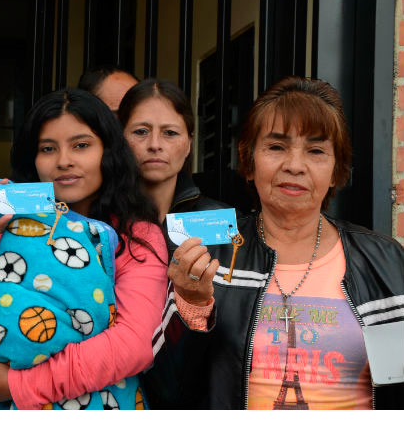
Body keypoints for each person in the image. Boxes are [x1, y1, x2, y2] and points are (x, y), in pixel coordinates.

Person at [143, 76, 404, 409]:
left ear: (337, 171)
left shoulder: (383, 260)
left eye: (316, 150)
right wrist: (192, 307)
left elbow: (398, 385)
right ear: (249, 162)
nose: (294, 165)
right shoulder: (209, 249)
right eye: (276, 147)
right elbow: (166, 391)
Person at [0, 88, 168, 409]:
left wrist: (15, 384)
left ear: (108, 151)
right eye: (48, 148)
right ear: (32, 159)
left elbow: (133, 345)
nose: (64, 161)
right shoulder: (2, 217)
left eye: (81, 145)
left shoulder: (135, 233)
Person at [117, 78, 226, 227]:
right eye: (141, 131)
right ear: (120, 138)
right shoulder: (99, 222)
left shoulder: (217, 222)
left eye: (170, 132)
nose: (155, 145)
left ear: (189, 144)